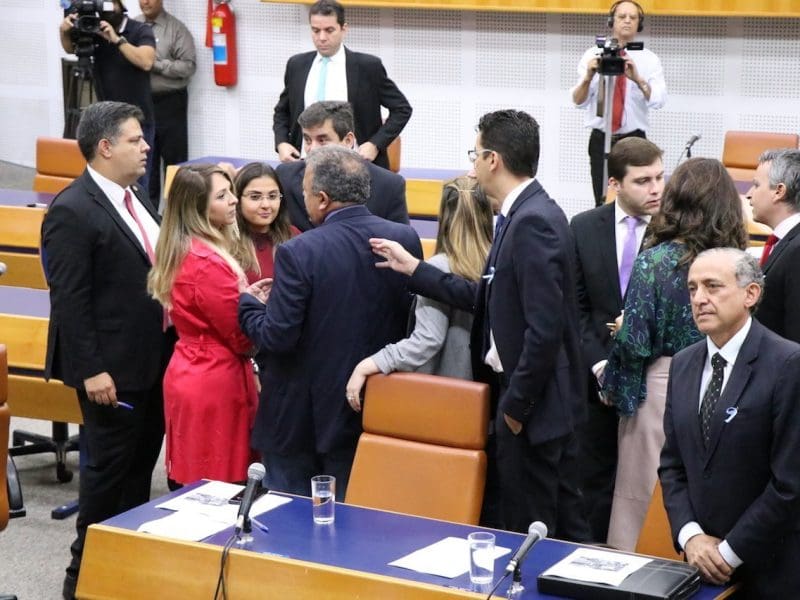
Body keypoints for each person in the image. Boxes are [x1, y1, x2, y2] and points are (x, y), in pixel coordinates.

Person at [370, 110, 590, 541]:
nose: (471, 168)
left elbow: (544, 330)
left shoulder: (533, 222)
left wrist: (515, 409)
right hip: (528, 403)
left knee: (536, 532)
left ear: (494, 159)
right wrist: (417, 269)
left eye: (475, 155)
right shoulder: (519, 214)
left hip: (534, 410)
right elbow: (489, 299)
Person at [41, 101, 175, 600]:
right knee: (105, 482)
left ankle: (123, 578)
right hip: (111, 374)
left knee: (138, 478)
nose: (146, 147)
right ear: (105, 147)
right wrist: (92, 370)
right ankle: (80, 584)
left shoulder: (134, 196)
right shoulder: (73, 209)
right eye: (135, 140)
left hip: (151, 364)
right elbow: (70, 300)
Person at [238, 146, 422, 501]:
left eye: (305, 193)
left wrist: (249, 306)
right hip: (372, 407)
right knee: (356, 520)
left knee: (288, 522)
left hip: (299, 421)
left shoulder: (298, 251)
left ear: (322, 199)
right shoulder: (404, 239)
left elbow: (277, 337)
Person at [602, 157, 747, 551]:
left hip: (661, 385)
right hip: (726, 383)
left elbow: (635, 343)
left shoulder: (656, 260)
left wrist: (614, 385)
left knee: (642, 496)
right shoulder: (739, 263)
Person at [660, 248, 800, 596]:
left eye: (712, 286)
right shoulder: (683, 364)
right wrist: (690, 536)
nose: (699, 299)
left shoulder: (787, 364)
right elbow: (672, 465)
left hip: (771, 570)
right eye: (692, 288)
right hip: (699, 566)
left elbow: (790, 482)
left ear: (750, 294)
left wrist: (727, 553)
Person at [570, 136, 664, 543]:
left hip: (649, 379)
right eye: (643, 181)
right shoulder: (583, 226)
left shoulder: (673, 232)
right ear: (615, 184)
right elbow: (576, 309)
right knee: (592, 481)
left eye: (659, 178)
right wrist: (599, 365)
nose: (656, 189)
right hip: (594, 379)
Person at [148, 164, 258, 486]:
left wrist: (245, 298)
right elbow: (240, 336)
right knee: (217, 487)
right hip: (215, 380)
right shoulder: (207, 263)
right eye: (222, 196)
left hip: (191, 367)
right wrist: (256, 309)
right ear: (198, 209)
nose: (234, 200)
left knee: (196, 481)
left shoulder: (183, 249)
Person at [345, 176, 493, 404]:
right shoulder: (495, 264)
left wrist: (371, 363)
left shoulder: (438, 268)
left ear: (444, 216)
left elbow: (428, 339)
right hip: (485, 400)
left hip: (443, 400)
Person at [273, 0, 412, 170]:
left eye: (329, 30)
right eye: (316, 30)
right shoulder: (297, 65)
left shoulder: (368, 67)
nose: (322, 38)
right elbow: (282, 111)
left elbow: (402, 109)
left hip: (357, 165)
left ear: (343, 29)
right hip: (305, 164)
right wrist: (281, 142)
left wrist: (375, 144)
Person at [59, 0, 157, 201]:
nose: (106, 9)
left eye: (110, 3)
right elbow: (71, 49)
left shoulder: (139, 30)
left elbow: (146, 61)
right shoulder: (94, 29)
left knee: (138, 181)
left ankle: (140, 216)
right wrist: (64, 32)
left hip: (138, 122)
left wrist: (117, 40)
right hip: (107, 123)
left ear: (121, 5)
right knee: (109, 178)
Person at [571, 0, 666, 207]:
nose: (627, 21)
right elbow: (577, 101)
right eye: (622, 16)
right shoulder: (592, 55)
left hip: (634, 140)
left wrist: (638, 79)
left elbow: (658, 100)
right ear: (611, 21)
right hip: (601, 139)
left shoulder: (649, 59)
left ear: (639, 24)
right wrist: (588, 76)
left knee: (636, 201)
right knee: (603, 201)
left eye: (633, 17)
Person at [277, 101, 408, 231]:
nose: (312, 149)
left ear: (348, 140)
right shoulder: (285, 177)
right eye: (307, 140)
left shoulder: (388, 185)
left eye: (322, 140)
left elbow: (400, 237)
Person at [135, 0, 197, 208]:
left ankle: (176, 216)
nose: (145, 2)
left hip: (171, 103)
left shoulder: (176, 29)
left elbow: (188, 66)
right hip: (141, 103)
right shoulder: (132, 27)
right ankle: (147, 214)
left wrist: (156, 65)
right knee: (144, 163)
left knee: (175, 165)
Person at [748, 149, 800, 343]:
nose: (748, 194)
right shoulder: (786, 243)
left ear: (779, 191)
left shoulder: (797, 250)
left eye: (756, 185)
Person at [233, 162, 301, 283]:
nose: (266, 205)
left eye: (272, 196)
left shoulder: (294, 237)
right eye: (255, 197)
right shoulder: (226, 242)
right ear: (237, 199)